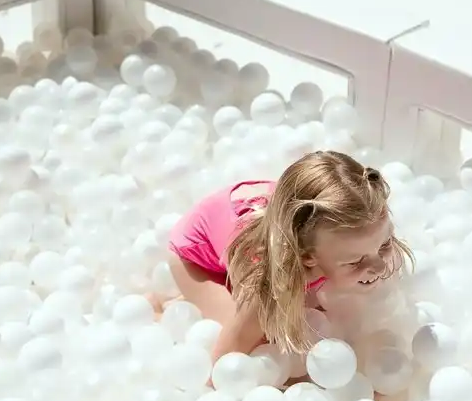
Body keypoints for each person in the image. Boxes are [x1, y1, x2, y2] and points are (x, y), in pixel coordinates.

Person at [166, 150, 411, 363]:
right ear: (308, 257)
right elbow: (227, 358)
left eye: (384, 244)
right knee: (264, 340)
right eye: (355, 261)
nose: (380, 265)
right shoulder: (270, 283)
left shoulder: (351, 233)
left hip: (265, 228)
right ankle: (168, 304)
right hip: (196, 258)